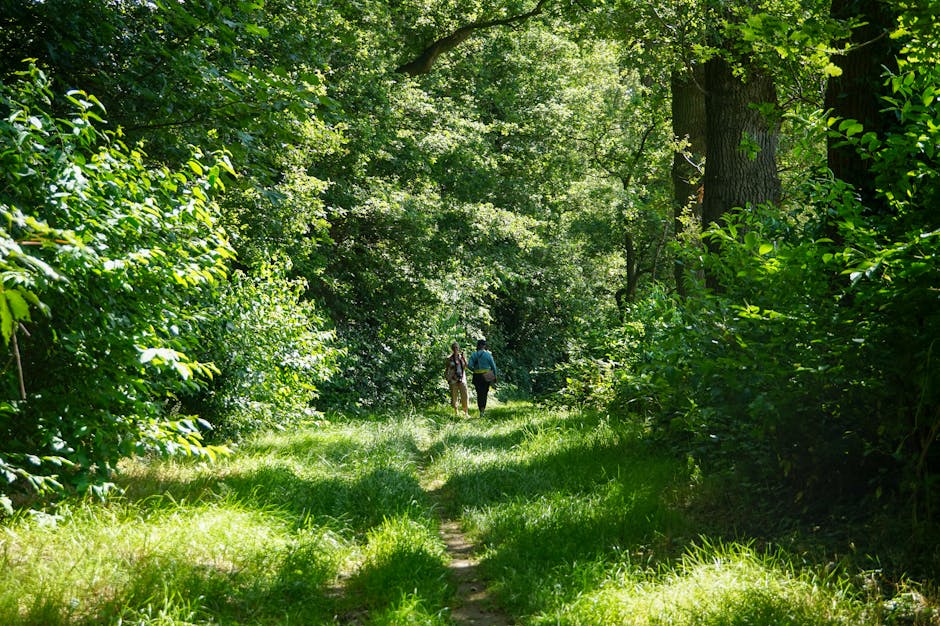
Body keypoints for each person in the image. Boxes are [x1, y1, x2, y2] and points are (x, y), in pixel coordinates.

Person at [468, 338, 498, 418]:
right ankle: (482, 411)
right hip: (486, 375)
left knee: (479, 393)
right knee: (484, 393)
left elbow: (469, 366)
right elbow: (493, 367)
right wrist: (495, 376)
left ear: (478, 345)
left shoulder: (474, 354)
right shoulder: (488, 355)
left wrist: (475, 370)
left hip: (477, 375)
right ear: (484, 346)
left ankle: (480, 409)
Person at [444, 341, 470, 418]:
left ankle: (466, 412)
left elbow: (466, 366)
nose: (456, 349)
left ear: (459, 348)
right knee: (454, 396)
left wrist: (464, 358)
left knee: (464, 395)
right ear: (452, 349)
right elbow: (447, 369)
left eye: (457, 347)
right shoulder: (449, 358)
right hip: (453, 379)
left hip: (462, 378)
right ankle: (456, 411)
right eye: (454, 347)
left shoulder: (461, 357)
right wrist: (448, 379)